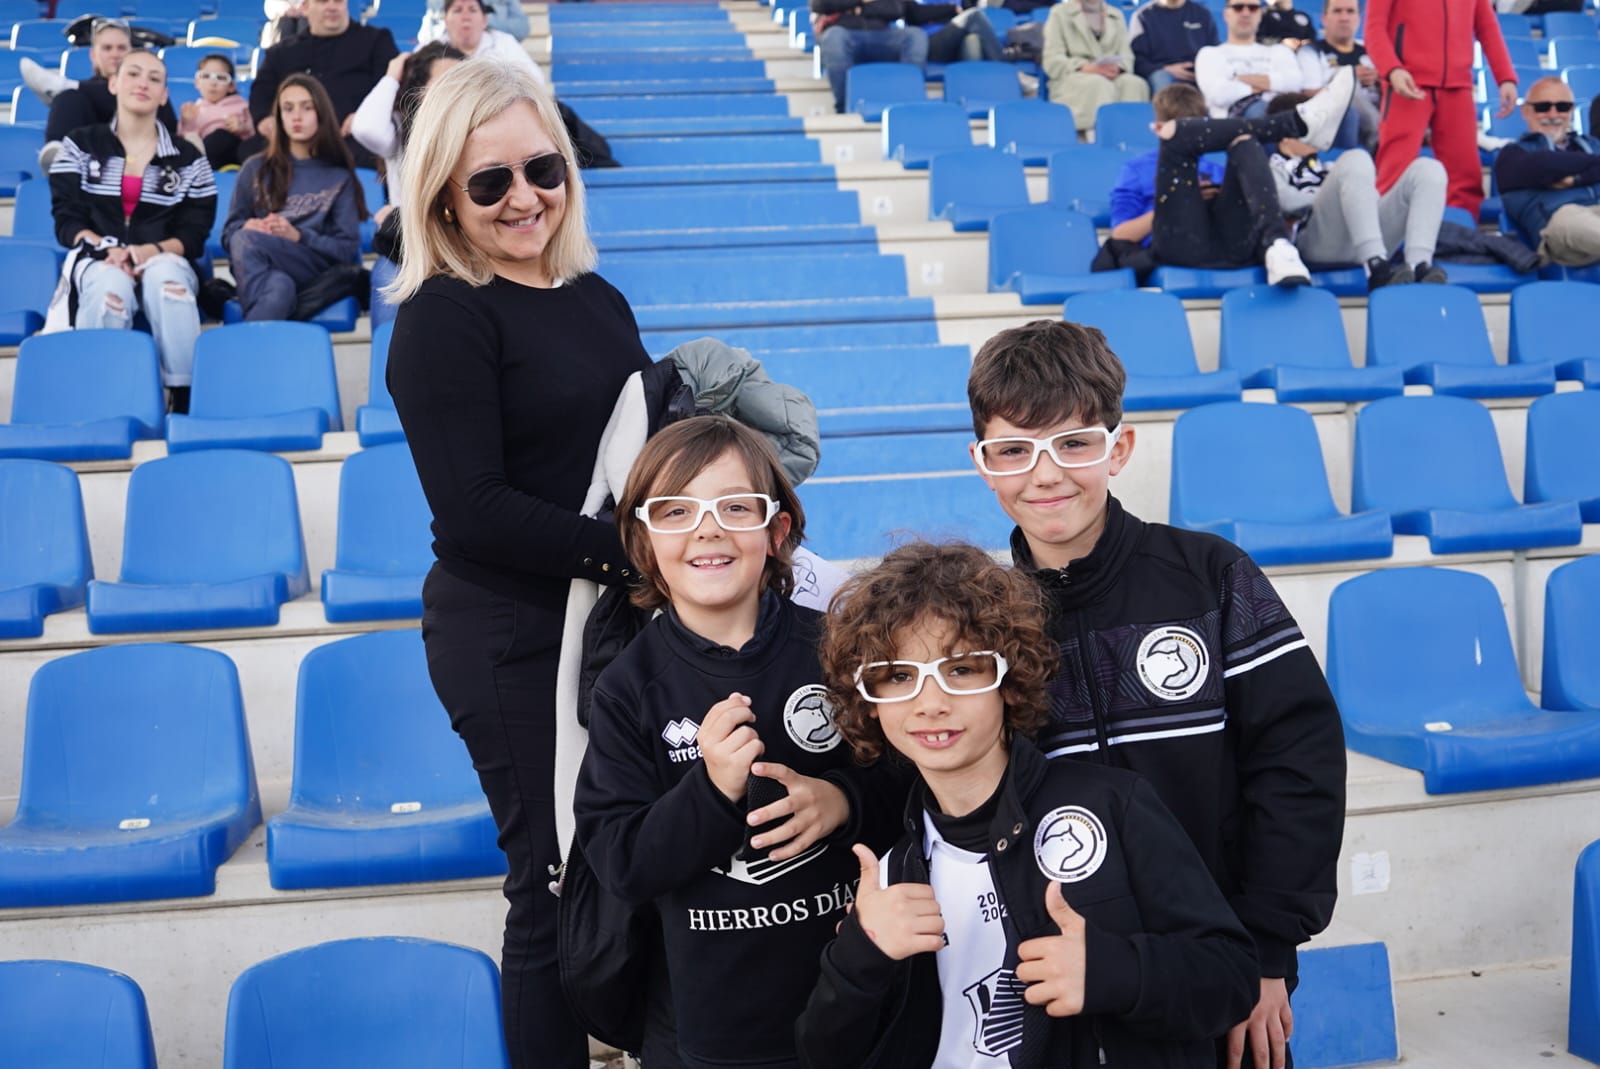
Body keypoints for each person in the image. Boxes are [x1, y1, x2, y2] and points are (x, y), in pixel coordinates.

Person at [963, 320, 1348, 1069]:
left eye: (1073, 443)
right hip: (1064, 979)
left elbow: (1297, 760)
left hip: (1221, 972)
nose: (1046, 475)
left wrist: (1267, 950)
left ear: (1120, 446)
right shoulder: (981, 617)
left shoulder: (1211, 576)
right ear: (982, 463)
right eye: (1015, 449)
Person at [382, 60, 650, 1069]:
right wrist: (638, 556)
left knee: (624, 864)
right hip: (509, 631)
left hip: (608, 618)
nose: (524, 196)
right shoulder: (444, 315)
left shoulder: (596, 295)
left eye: (542, 168)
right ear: (444, 190)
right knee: (547, 883)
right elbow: (475, 511)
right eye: (489, 181)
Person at [795, 541, 1259, 1068]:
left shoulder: (1112, 805)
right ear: (869, 704)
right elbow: (822, 1055)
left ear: (1010, 683)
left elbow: (1232, 976)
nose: (930, 702)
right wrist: (861, 955)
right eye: (899, 676)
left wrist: (1112, 972)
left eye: (963, 669)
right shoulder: (895, 869)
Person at [575, 415, 896, 1069]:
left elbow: (914, 783)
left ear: (776, 531)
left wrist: (840, 800)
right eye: (676, 509)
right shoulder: (627, 688)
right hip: (711, 1033)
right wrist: (713, 789)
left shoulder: (839, 649)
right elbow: (621, 861)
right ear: (642, 538)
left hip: (857, 1004)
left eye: (734, 506)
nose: (708, 527)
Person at [48, 49, 215, 415]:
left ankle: (186, 396)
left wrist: (145, 252)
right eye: (133, 74)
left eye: (154, 79)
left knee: (168, 281)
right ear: (113, 83)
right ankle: (102, 397)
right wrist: (109, 250)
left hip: (161, 255)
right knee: (111, 285)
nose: (143, 83)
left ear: (164, 95)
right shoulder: (79, 144)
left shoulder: (189, 158)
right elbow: (68, 219)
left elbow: (194, 234)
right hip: (97, 254)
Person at [1108, 74, 1353, 286]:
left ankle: (1277, 246)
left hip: (1231, 246)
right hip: (1179, 246)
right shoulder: (1137, 169)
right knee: (1176, 136)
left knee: (1244, 143)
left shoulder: (1220, 166)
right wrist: (1172, 205)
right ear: (1157, 127)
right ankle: (1295, 125)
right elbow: (1121, 234)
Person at [1264, 91, 1448, 287]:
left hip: (1364, 235)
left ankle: (1418, 264)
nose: (1318, 131)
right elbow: (1286, 201)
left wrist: (1352, 197)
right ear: (1284, 134)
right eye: (1308, 126)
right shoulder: (1271, 168)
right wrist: (1338, 196)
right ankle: (1375, 266)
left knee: (1429, 169)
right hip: (1318, 242)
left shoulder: (1329, 167)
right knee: (1356, 158)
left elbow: (1371, 198)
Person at [222, 75, 367, 322]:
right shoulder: (254, 168)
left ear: (321, 113)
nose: (296, 117)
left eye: (307, 108)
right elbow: (229, 235)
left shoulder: (339, 176)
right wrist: (248, 226)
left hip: (311, 268)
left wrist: (296, 235)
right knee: (278, 287)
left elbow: (345, 250)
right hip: (263, 269)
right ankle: (259, 353)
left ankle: (241, 351)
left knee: (247, 241)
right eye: (287, 109)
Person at [1365, 0, 1517, 218]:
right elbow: (1374, 28)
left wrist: (1505, 77)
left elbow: (1487, 26)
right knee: (1395, 172)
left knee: (1465, 176)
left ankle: (1462, 239)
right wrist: (1392, 69)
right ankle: (1388, 240)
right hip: (1407, 83)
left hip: (1457, 86)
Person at [249, 0, 399, 165]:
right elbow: (261, 93)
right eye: (322, 1)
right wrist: (265, 119)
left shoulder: (376, 41)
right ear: (305, 7)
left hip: (353, 138)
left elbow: (392, 88)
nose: (332, 6)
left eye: (338, 1)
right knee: (250, 152)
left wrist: (365, 116)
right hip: (294, 137)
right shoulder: (281, 52)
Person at [26, 18, 179, 171]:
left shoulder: (148, 89)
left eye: (121, 48)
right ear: (93, 55)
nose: (115, 54)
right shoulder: (78, 97)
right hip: (90, 163)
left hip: (146, 160)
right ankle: (60, 155)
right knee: (69, 96)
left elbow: (170, 127)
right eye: (107, 48)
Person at [1494, 76, 1600, 266]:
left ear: (1572, 111)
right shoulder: (1512, 155)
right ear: (1526, 111)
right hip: (1562, 226)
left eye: (1562, 107)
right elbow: (1544, 164)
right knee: (1569, 219)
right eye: (1543, 107)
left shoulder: (1591, 144)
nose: (1553, 114)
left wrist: (1576, 179)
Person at [352, 40, 467, 204]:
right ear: (419, 90)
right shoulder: (399, 129)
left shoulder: (480, 128)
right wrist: (391, 77)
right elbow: (365, 128)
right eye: (443, 83)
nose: (454, 91)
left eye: (461, 83)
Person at [1043, 0, 1151, 134]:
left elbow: (1127, 56)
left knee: (1135, 84)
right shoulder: (1059, 13)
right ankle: (1095, 137)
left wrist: (1118, 68)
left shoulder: (1116, 15)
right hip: (1073, 76)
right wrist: (1085, 67)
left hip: (1111, 74)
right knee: (1099, 84)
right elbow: (1052, 60)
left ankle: (1132, 137)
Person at [811, 0, 932, 114]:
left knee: (916, 35)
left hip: (883, 36)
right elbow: (820, 4)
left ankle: (910, 103)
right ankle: (844, 107)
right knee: (833, 38)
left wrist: (856, 9)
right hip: (845, 34)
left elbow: (896, 9)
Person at [1195, 0, 1303, 117]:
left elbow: (1294, 84)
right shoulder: (1210, 54)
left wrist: (1237, 79)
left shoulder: (1280, 51)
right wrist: (1270, 86)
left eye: (1252, 8)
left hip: (1278, 123)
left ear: (1260, 14)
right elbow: (1219, 95)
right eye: (1238, 7)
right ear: (1226, 14)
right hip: (1230, 127)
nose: (1245, 13)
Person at [1296, 0, 1380, 150]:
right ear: (1324, 18)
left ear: (1359, 19)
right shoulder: (1310, 51)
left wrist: (1379, 80)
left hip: (1375, 106)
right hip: (1333, 117)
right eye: (1337, 11)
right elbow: (1309, 92)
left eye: (1350, 11)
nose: (1344, 17)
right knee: (1349, 90)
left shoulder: (1372, 51)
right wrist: (1348, 78)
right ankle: (1378, 138)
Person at [177, 53, 253, 171]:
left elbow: (256, 133)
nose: (213, 83)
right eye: (206, 76)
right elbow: (184, 139)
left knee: (221, 136)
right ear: (197, 83)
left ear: (231, 86)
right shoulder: (194, 110)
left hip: (234, 151)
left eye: (221, 78)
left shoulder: (242, 106)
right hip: (207, 153)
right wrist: (188, 124)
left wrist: (243, 128)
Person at [435, 0, 545, 79]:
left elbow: (536, 79)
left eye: (472, 10)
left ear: (485, 19)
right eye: (458, 10)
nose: (466, 16)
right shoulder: (433, 48)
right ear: (445, 20)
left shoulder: (505, 43)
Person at [1128, 0, 1220, 94]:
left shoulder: (1202, 14)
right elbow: (1137, 61)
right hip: (1163, 73)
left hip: (1197, 74)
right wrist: (1165, 68)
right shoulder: (1143, 16)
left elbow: (1214, 53)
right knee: (1161, 77)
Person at [420, 0, 530, 47]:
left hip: (497, 53)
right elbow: (425, 36)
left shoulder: (506, 43)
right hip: (450, 53)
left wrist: (482, 20)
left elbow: (522, 29)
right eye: (458, 10)